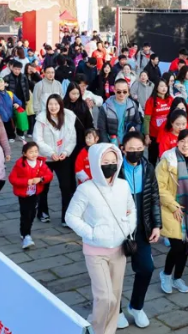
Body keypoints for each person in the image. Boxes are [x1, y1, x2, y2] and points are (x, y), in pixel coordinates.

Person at [65, 143, 136, 334]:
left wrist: (128, 227)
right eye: (106, 162)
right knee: (105, 297)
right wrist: (91, 233)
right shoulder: (86, 189)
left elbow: (132, 209)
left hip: (119, 250)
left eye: (114, 161)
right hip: (95, 252)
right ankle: (97, 329)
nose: (110, 165)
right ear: (96, 163)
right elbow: (70, 217)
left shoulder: (122, 185)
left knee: (115, 295)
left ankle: (109, 330)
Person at [117, 132, 161, 329]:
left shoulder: (147, 167)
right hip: (117, 229)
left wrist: (157, 225)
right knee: (115, 273)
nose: (135, 152)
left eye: (139, 149)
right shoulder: (115, 168)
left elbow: (154, 197)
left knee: (146, 268)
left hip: (141, 227)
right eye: (131, 149)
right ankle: (115, 310)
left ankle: (136, 306)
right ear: (123, 148)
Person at [156, 129, 188, 294]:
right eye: (183, 141)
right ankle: (166, 274)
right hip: (171, 208)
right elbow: (159, 187)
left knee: (186, 246)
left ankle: (177, 277)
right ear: (177, 142)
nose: (186, 145)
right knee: (177, 245)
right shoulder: (167, 161)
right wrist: (173, 206)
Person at [34, 94, 78, 225]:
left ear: (60, 105)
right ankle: (43, 212)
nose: (53, 107)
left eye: (56, 104)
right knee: (44, 186)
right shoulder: (41, 119)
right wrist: (51, 152)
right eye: (50, 104)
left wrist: (66, 152)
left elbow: (72, 139)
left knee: (66, 187)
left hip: (63, 158)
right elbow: (38, 140)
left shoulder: (68, 117)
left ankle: (66, 216)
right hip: (46, 158)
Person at [8, 141, 53, 249]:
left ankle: (25, 231)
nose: (34, 154)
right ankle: (26, 235)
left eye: (36, 151)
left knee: (32, 213)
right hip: (23, 194)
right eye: (31, 152)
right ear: (24, 154)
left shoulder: (40, 163)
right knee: (25, 213)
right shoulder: (20, 165)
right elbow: (12, 178)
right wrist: (25, 182)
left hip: (35, 193)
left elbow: (49, 175)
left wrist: (41, 179)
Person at [97, 78, 142, 146]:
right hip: (112, 143)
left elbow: (138, 123)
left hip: (128, 143)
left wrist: (135, 129)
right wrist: (107, 145)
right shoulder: (105, 107)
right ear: (114, 90)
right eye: (119, 91)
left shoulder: (133, 105)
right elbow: (101, 129)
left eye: (124, 91)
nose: (122, 94)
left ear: (128, 91)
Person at [143, 78, 173, 165]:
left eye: (166, 86)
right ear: (156, 87)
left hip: (166, 134)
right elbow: (147, 119)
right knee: (152, 159)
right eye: (161, 86)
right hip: (154, 135)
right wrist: (147, 136)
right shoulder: (151, 101)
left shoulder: (170, 100)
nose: (164, 88)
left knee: (165, 160)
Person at [0, 77, 22, 142]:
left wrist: (17, 104)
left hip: (10, 119)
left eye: (0, 82)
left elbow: (19, 101)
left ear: (5, 84)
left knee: (10, 130)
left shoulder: (10, 93)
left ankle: (11, 136)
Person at [4, 60, 32, 140]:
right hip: (10, 101)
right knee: (11, 118)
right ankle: (11, 135)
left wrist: (27, 99)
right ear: (12, 68)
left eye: (19, 69)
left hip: (21, 100)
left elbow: (26, 88)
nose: (17, 71)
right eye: (16, 69)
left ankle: (20, 133)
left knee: (21, 116)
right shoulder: (7, 77)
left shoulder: (23, 77)